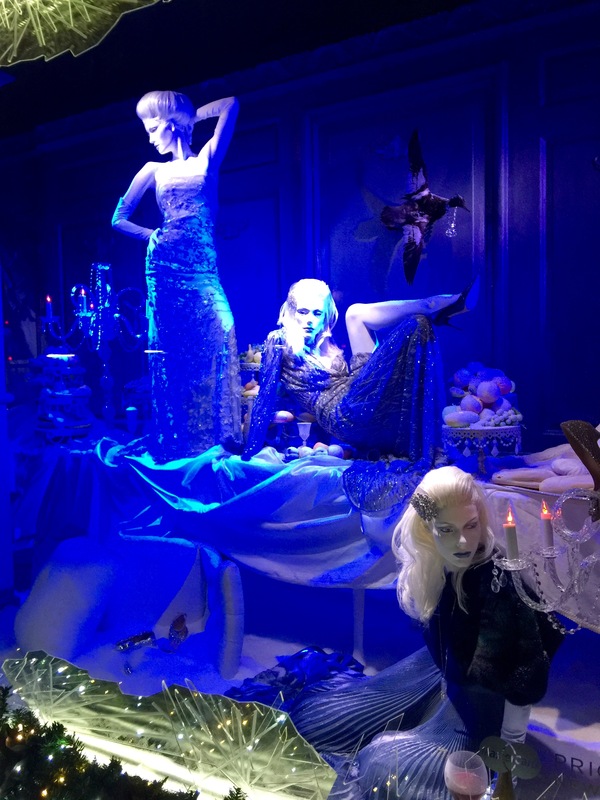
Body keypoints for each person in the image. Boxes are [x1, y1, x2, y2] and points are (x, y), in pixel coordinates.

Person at [288, 466, 564, 799]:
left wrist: (507, 763)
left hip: (475, 718)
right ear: (426, 529)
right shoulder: (440, 567)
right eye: (446, 530)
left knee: (383, 769)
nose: (463, 541)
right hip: (439, 679)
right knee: (317, 718)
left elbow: (525, 682)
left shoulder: (498, 586)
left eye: (471, 525)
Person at [243, 277, 477, 509]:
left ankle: (433, 307)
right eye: (303, 312)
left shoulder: (324, 343)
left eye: (317, 313)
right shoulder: (279, 340)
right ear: (291, 311)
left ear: (325, 315)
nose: (309, 320)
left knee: (410, 323)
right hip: (343, 415)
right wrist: (249, 450)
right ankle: (433, 304)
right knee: (358, 314)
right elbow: (265, 397)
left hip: (357, 395)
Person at [112, 91, 241, 463]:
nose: (150, 138)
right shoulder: (153, 170)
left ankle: (219, 438)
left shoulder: (207, 160)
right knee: (169, 351)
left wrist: (188, 117)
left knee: (222, 333)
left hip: (203, 269)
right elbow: (118, 218)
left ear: (172, 124)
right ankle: (176, 440)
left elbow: (231, 104)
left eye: (154, 128)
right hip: (164, 268)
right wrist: (151, 235)